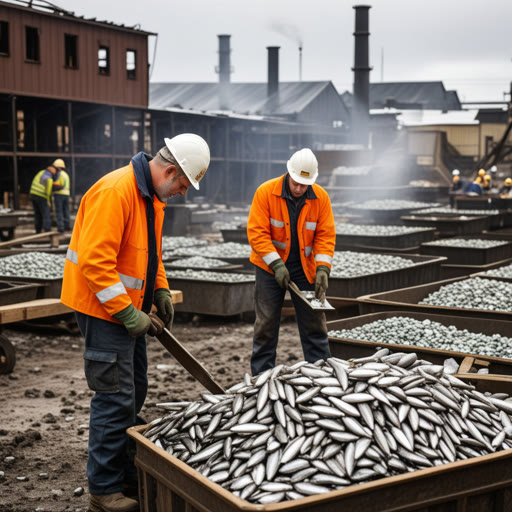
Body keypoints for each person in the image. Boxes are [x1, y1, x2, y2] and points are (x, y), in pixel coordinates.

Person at [60, 134, 210, 512]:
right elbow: (95, 263)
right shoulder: (116, 191)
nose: (183, 193)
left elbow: (150, 256)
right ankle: (104, 490)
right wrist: (128, 313)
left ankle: (128, 473)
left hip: (130, 312)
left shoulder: (151, 199)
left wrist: (160, 290)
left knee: (134, 390)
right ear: (170, 171)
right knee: (114, 397)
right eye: (183, 184)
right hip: (104, 311)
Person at [247, 148, 336, 376]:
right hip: (269, 268)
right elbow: (257, 233)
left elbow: (325, 236)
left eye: (304, 185)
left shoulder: (321, 198)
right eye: (296, 182)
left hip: (305, 268)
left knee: (315, 323)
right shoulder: (266, 192)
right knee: (266, 324)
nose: (299, 188)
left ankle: (322, 375)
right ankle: (262, 377)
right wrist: (276, 264)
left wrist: (323, 269)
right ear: (289, 174)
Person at [29, 160, 60, 233]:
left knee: (37, 213)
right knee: (46, 213)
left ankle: (38, 230)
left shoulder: (41, 172)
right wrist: (48, 201)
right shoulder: (49, 177)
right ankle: (47, 230)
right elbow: (48, 190)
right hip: (41, 195)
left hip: (33, 194)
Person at [52, 158, 71, 232]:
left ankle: (60, 227)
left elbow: (59, 185)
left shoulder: (59, 174)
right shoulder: (66, 174)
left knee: (59, 211)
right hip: (66, 194)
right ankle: (67, 226)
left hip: (59, 194)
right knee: (66, 210)